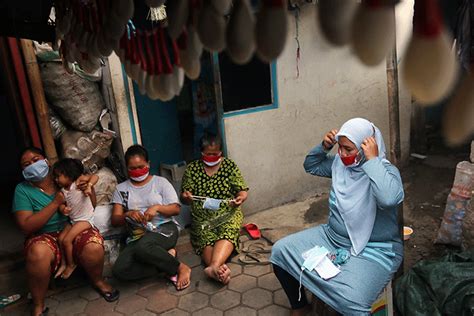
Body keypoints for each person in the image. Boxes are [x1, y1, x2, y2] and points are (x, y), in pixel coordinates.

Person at [270, 118, 404, 316]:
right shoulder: (340, 167)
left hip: (375, 249)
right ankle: (300, 307)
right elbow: (312, 165)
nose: (341, 154)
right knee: (280, 252)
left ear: (366, 147)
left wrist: (373, 161)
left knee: (350, 302)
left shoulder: (385, 171)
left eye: (348, 149)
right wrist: (324, 146)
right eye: (339, 148)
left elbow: (388, 199)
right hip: (332, 238)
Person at [12, 147, 119, 316]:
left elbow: (91, 203)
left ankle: (98, 281)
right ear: (23, 171)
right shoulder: (22, 190)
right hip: (43, 235)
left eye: (36, 160)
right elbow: (26, 226)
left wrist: (89, 190)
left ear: (45, 160)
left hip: (73, 225)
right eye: (27, 165)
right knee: (37, 253)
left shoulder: (63, 177)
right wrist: (55, 204)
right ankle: (38, 305)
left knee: (93, 246)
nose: (33, 165)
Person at [111, 145, 191, 290]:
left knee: (144, 247)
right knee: (120, 270)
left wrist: (157, 207)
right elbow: (115, 220)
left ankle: (180, 268)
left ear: (148, 164)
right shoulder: (121, 189)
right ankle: (167, 261)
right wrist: (127, 214)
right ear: (127, 168)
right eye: (132, 168)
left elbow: (176, 209)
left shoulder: (160, 183)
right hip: (138, 235)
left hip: (165, 228)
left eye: (141, 166)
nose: (137, 171)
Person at [181, 134, 249, 284]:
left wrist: (241, 198)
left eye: (215, 154)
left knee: (228, 231)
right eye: (208, 154)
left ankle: (214, 267)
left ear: (221, 153)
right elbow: (184, 198)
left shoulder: (229, 166)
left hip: (228, 211)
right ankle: (218, 269)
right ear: (201, 153)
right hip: (202, 215)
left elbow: (242, 191)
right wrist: (187, 196)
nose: (211, 157)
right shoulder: (192, 169)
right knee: (205, 238)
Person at [52, 158, 98, 279]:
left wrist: (89, 186)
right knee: (61, 239)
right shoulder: (62, 192)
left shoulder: (78, 182)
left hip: (85, 219)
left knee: (67, 240)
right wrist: (63, 209)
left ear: (69, 174)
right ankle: (63, 263)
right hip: (73, 220)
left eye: (58, 176)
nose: (56, 180)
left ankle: (71, 265)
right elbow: (61, 204)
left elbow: (95, 177)